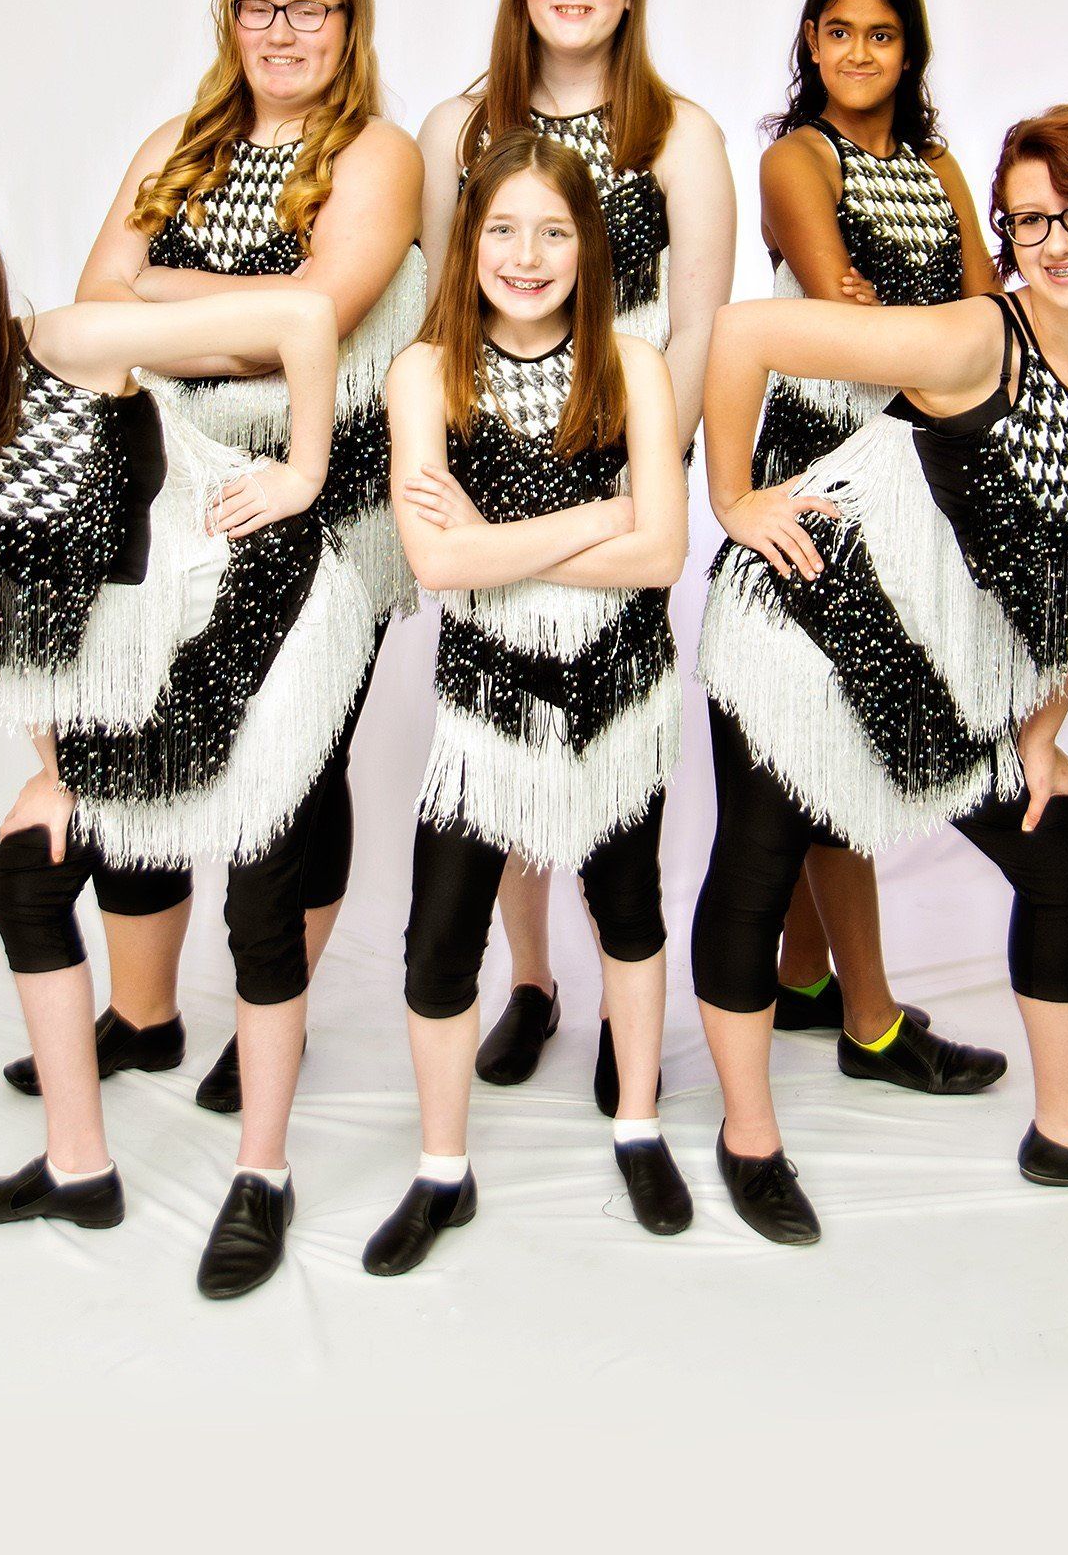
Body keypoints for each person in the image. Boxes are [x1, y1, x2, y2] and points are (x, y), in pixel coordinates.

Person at [0, 186, 373, 1298]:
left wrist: (305, 472)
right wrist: (60, 774)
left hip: (268, 610)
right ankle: (80, 1168)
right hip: (144, 664)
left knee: (261, 896)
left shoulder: (71, 347)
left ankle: (260, 1176)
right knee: (24, 881)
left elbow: (306, 321)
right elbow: (7, 615)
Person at [694, 105, 1068, 1243]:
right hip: (807, 623)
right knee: (760, 860)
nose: (1057, 242)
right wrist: (734, 502)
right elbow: (739, 336)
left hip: (936, 670)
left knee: (1063, 849)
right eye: (1027, 221)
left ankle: (1067, 1130)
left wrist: (1039, 733)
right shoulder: (973, 338)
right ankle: (748, 1139)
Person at [2, 0, 424, 1115]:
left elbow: (322, 318)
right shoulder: (178, 143)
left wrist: (167, 299)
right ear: (231, 20)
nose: (283, 32)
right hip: (178, 481)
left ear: (351, 26)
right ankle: (140, 1018)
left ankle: (265, 1017)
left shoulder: (378, 155)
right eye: (261, 8)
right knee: (139, 719)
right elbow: (92, 314)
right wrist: (247, 319)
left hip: (318, 491)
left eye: (311, 10)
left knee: (293, 766)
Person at [419, 0, 734, 1110]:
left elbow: (702, 313)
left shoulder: (679, 133)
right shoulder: (462, 121)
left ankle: (624, 1009)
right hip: (496, 452)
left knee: (610, 739)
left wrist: (648, 462)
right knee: (506, 731)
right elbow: (447, 302)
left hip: (627, 434)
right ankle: (534, 982)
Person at [363, 130, 693, 1275]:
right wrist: (599, 516)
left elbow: (663, 556)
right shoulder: (424, 372)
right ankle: (442, 1170)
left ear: (589, 246)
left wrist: (499, 540)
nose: (528, 252)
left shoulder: (633, 362)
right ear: (470, 241)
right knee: (434, 943)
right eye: (503, 227)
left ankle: (640, 1122)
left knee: (631, 909)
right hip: (487, 704)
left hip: (617, 691)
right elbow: (437, 568)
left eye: (555, 230)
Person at [752, 0, 1006, 1094]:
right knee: (835, 732)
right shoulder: (795, 158)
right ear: (811, 42)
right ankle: (872, 1021)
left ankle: (804, 976)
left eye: (882, 36)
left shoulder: (942, 161)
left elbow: (992, 304)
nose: (859, 54)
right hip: (818, 468)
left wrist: (921, 309)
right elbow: (835, 298)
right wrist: (933, 313)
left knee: (847, 723)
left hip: (912, 464)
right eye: (839, 32)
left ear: (910, 52)